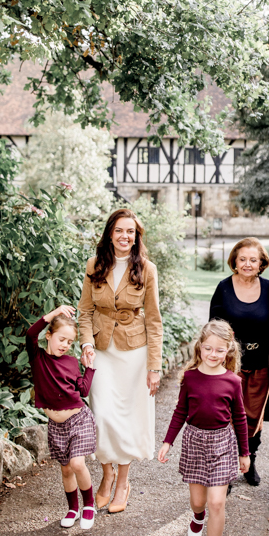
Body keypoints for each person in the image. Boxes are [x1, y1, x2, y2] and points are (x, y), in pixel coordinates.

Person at [78, 208, 162, 514]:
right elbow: (85, 311)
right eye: (119, 231)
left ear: (137, 236)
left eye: (131, 231)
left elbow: (154, 321)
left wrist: (154, 366)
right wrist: (86, 342)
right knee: (101, 415)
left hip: (134, 353)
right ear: (109, 234)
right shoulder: (94, 265)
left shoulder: (147, 269)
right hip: (100, 350)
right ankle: (107, 472)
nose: (125, 236)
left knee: (127, 416)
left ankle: (123, 482)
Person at [158, 319, 250, 536]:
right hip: (195, 443)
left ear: (228, 351)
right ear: (200, 348)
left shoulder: (232, 381)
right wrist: (168, 441)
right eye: (208, 348)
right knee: (199, 502)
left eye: (220, 350)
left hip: (222, 443)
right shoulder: (190, 378)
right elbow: (180, 411)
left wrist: (245, 453)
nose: (213, 354)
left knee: (217, 502)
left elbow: (240, 418)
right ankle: (197, 517)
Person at [25, 304, 97, 529]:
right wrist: (53, 314)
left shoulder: (71, 362)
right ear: (48, 336)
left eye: (69, 342)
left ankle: (88, 505)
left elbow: (83, 391)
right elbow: (29, 334)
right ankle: (73, 508)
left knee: (77, 463)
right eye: (61, 339)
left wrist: (89, 369)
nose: (65, 345)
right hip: (57, 426)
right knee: (66, 469)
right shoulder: (38, 358)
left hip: (79, 420)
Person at [209, 238, 269, 486]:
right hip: (229, 364)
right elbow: (213, 327)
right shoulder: (224, 287)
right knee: (226, 415)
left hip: (261, 363)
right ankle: (224, 469)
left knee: (252, 416)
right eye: (243, 259)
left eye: (253, 260)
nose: (247, 264)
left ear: (261, 263)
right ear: (234, 261)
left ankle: (249, 460)